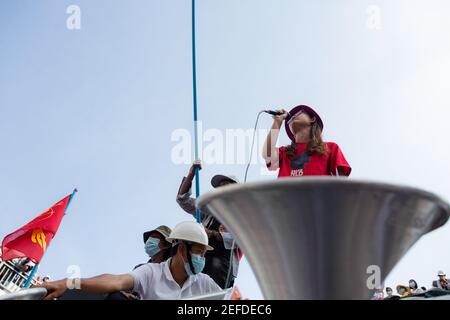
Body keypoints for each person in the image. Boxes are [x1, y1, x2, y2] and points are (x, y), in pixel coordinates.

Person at [39, 221, 221, 300]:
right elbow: (115, 281)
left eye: (204, 254)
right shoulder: (151, 273)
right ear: (182, 249)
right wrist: (68, 283)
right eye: (199, 253)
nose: (202, 260)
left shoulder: (204, 283)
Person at [176, 161, 242, 289]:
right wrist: (191, 175)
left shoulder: (241, 215)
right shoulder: (209, 211)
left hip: (222, 266)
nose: (220, 190)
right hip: (201, 259)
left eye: (225, 186)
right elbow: (182, 200)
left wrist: (213, 234)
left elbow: (242, 239)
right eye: (219, 187)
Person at [262, 105, 351, 177]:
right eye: (290, 119)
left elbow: (342, 183)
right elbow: (267, 154)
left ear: (312, 119)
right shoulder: (284, 153)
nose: (293, 116)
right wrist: (277, 122)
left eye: (299, 113)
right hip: (286, 199)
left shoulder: (331, 148)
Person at [106, 225, 173, 300]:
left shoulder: (171, 269)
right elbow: (127, 287)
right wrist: (125, 293)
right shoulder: (141, 268)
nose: (149, 241)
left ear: (166, 245)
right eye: (149, 238)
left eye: (154, 237)